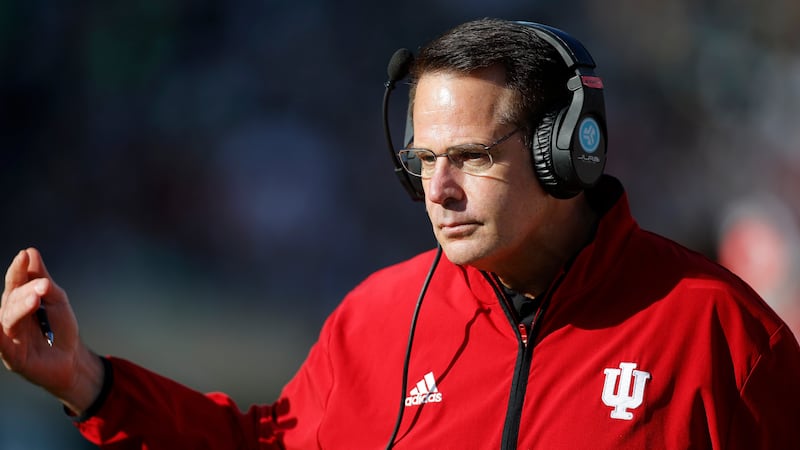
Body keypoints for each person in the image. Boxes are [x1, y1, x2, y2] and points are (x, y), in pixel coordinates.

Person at [2, 18, 800, 449]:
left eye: (471, 157)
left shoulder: (722, 334)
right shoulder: (378, 317)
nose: (438, 190)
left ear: (568, 154)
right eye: (422, 160)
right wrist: (91, 384)